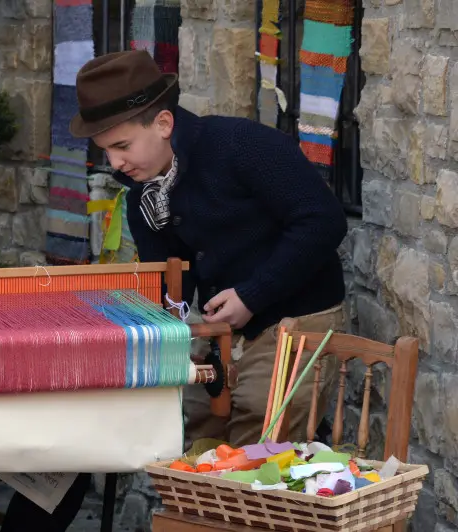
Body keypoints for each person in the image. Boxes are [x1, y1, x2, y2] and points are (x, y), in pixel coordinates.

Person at [68, 49, 348, 449]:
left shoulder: (242, 145)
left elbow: (324, 220)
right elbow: (167, 278)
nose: (114, 163)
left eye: (122, 146)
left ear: (163, 123)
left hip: (295, 314)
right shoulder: (142, 196)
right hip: (221, 325)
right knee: (195, 428)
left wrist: (253, 294)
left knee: (259, 434)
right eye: (105, 151)